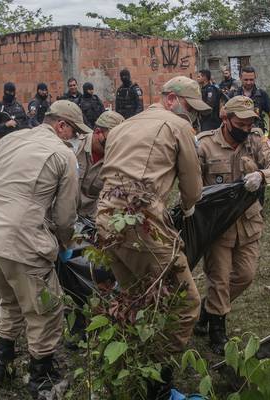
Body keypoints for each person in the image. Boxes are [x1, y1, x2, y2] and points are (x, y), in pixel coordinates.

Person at [96, 76, 209, 397]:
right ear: (171, 99)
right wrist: (187, 210)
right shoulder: (177, 126)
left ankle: (128, 371)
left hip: (106, 219)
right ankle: (157, 382)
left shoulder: (122, 126)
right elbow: (193, 188)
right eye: (189, 107)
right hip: (139, 219)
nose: (191, 116)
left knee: (137, 298)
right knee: (184, 302)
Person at [0, 100, 91, 399]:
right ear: (61, 125)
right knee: (45, 309)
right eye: (74, 132)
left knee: (10, 298)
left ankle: (3, 361)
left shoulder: (11, 138)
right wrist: (63, 242)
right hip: (23, 240)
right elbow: (66, 217)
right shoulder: (63, 155)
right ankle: (42, 376)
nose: (74, 138)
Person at [194, 96, 270, 355]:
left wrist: (262, 175)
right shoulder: (204, 145)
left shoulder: (256, 140)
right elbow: (191, 185)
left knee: (245, 276)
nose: (246, 128)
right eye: (241, 123)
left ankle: (207, 309)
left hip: (247, 222)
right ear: (226, 119)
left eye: (250, 123)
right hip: (217, 226)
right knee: (219, 279)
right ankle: (217, 332)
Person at [77, 110, 125, 218]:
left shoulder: (115, 160)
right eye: (112, 139)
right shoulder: (75, 148)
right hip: (62, 217)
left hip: (91, 218)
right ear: (98, 132)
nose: (115, 144)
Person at [235, 66, 270, 140]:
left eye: (251, 79)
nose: (248, 82)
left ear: (255, 77)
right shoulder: (234, 95)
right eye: (246, 80)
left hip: (257, 135)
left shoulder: (262, 94)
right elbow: (224, 113)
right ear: (240, 78)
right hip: (238, 136)